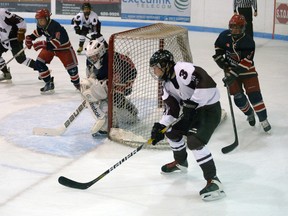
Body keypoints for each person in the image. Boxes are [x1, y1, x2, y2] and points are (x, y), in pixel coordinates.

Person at [149, 49, 226, 201]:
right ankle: (181, 162)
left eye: (156, 67)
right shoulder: (166, 85)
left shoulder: (182, 69)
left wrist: (193, 102)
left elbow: (207, 82)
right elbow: (172, 109)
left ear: (165, 65)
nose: (155, 71)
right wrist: (160, 126)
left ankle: (214, 181)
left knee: (194, 141)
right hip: (192, 112)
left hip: (209, 110)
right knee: (170, 131)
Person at [213, 14, 271, 132]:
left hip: (247, 71)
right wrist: (222, 63)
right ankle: (249, 113)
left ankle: (263, 119)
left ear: (243, 28)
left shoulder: (248, 41)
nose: (235, 29)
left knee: (255, 96)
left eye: (238, 27)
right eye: (233, 26)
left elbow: (246, 62)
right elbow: (218, 48)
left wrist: (232, 75)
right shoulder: (224, 36)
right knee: (238, 98)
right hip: (231, 70)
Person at [80, 36, 138, 136]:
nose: (92, 59)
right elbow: (92, 77)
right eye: (90, 57)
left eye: (94, 56)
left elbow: (127, 74)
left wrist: (121, 87)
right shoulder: (90, 61)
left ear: (101, 52)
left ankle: (129, 113)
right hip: (109, 77)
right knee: (102, 98)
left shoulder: (113, 61)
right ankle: (108, 124)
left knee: (114, 98)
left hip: (126, 76)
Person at [25, 8, 80, 94]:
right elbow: (37, 33)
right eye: (38, 20)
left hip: (64, 49)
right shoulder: (41, 25)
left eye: (41, 20)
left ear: (47, 19)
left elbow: (58, 43)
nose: (39, 22)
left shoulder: (56, 26)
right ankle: (48, 83)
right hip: (50, 48)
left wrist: (42, 44)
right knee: (39, 62)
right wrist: (29, 38)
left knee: (72, 70)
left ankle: (78, 85)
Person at [0, 8, 36, 82]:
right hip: (4, 39)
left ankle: (42, 69)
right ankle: (6, 74)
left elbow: (21, 20)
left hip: (14, 38)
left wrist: (21, 32)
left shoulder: (2, 13)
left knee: (21, 59)